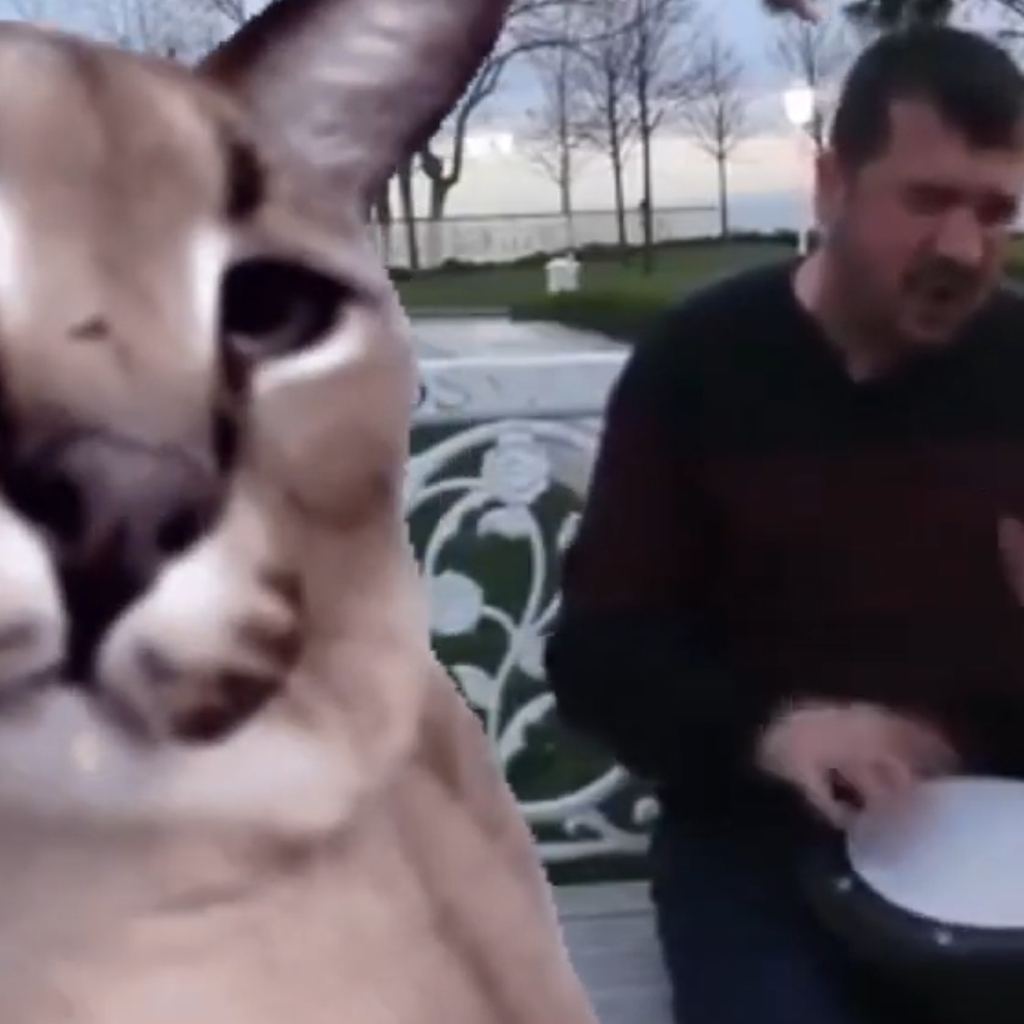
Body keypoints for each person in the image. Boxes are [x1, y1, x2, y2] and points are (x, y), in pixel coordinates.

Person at [544, 24, 1024, 1024]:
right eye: (927, 200)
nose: (963, 248)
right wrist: (775, 729)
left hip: (998, 830)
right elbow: (598, 651)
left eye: (995, 211)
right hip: (756, 842)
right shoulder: (700, 365)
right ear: (831, 184)